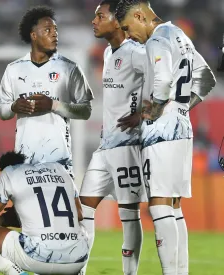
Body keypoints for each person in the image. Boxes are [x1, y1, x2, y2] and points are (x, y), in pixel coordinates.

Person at [115, 1, 216, 274]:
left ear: (139, 15)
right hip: (183, 126)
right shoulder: (179, 34)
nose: (127, 35)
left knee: (158, 204)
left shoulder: (156, 41)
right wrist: (180, 106)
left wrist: (157, 108)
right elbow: (206, 79)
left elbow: (161, 82)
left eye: (127, 27)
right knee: (174, 205)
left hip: (161, 131)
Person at [78, 1, 148, 274]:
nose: (94, 21)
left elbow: (162, 80)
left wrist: (143, 114)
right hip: (105, 146)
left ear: (117, 21)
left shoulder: (136, 52)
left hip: (128, 147)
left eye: (100, 16)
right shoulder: (109, 53)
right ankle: (78, 270)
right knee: (83, 207)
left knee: (128, 214)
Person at [0, 6, 93, 176]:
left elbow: (85, 111)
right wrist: (13, 107)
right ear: (33, 35)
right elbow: (1, 112)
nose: (54, 34)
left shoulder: (69, 68)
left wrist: (53, 105)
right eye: (48, 30)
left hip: (59, 161)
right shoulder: (13, 69)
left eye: (55, 29)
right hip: (24, 161)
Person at [0, 151, 89, 275]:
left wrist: (6, 219)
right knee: (81, 229)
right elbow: (79, 215)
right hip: (78, 260)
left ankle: (14, 272)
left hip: (37, 257)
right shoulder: (60, 169)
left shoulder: (9, 172)